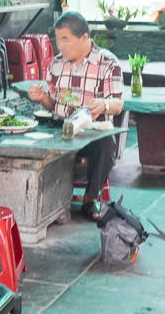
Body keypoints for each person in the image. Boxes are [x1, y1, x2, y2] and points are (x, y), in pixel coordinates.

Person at [27, 11, 124, 220]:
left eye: (65, 40)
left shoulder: (108, 63)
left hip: (91, 132)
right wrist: (42, 97)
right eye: (57, 40)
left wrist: (104, 104)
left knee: (108, 147)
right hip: (60, 128)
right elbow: (53, 105)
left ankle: (90, 199)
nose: (60, 46)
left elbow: (118, 104)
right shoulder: (56, 64)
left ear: (84, 38)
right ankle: (46, 201)